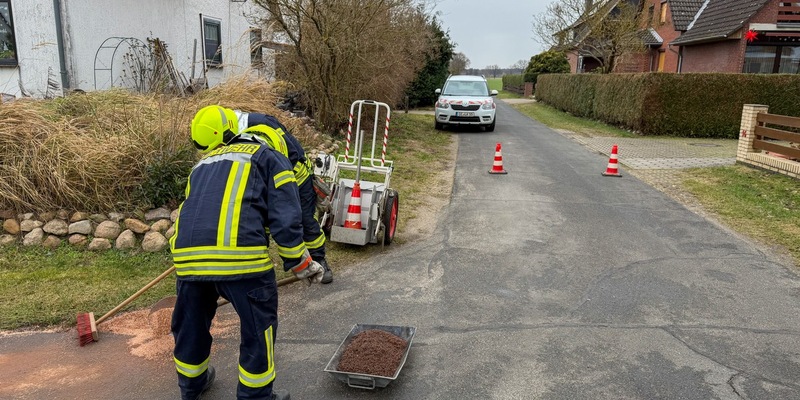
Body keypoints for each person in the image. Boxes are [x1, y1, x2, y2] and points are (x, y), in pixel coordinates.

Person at [171, 105, 325, 400]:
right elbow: (285, 219)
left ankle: (192, 386)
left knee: (191, 327)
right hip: (244, 264)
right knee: (257, 329)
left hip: (189, 263)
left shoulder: (201, 166)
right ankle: (255, 397)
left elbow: (192, 213)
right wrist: (301, 263)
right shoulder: (270, 157)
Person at [230, 107, 334, 284]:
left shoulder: (262, 123)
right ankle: (257, 268)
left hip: (297, 177)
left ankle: (319, 259)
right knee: (261, 222)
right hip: (267, 179)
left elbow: (286, 154)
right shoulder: (231, 133)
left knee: (305, 221)